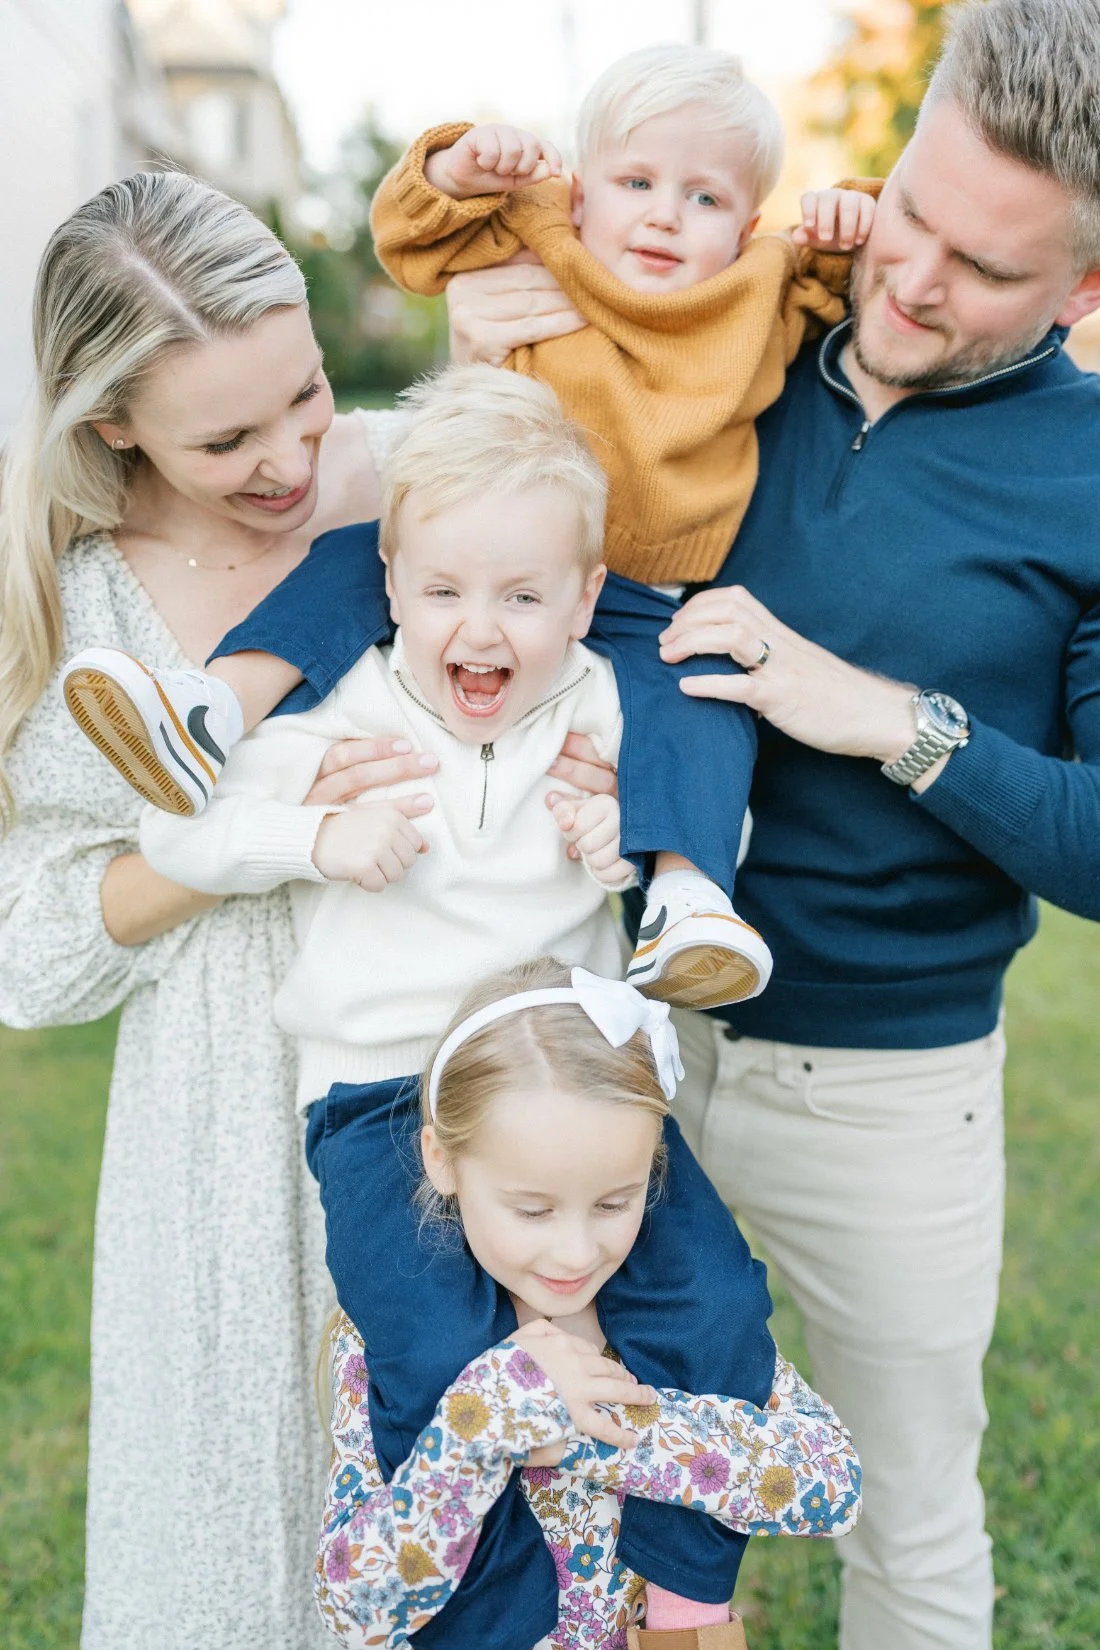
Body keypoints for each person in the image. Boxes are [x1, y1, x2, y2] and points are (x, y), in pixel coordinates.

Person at [445, 2, 1100, 1646]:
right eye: (914, 214)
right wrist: (495, 371)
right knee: (556, 1479)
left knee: (910, 1513)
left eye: (987, 270)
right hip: (611, 1043)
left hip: (885, 1100)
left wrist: (889, 721)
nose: (915, 280)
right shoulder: (716, 340)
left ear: (1085, 292)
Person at [137, 366, 784, 1648]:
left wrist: (628, 830)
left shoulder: (600, 711)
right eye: (441, 590)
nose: (474, 629)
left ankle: (682, 1597)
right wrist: (316, 835)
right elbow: (179, 830)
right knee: (433, 1357)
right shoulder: (341, 714)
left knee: (710, 1304)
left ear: (586, 600)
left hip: (573, 1087)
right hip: (382, 1100)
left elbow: (725, 814)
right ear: (388, 583)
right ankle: (490, 1626)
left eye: (521, 596)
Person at [59, 43, 876, 1011]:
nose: (663, 212)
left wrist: (847, 212)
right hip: (488, 550)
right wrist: (455, 166)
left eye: (704, 199)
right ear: (578, 190)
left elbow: (856, 278)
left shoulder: (759, 285)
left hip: (636, 589)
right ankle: (208, 712)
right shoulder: (546, 241)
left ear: (746, 224)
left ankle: (688, 898)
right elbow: (413, 236)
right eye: (635, 181)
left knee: (699, 699)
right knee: (346, 564)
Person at [0, 170, 485, 1650]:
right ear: (112, 424)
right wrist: (240, 841)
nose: (288, 457)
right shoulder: (79, 614)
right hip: (214, 1142)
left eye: (309, 395)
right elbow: (32, 957)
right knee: (223, 1544)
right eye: (226, 436)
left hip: (443, 1095)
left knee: (457, 1529)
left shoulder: (419, 493)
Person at [312, 956, 863, 1650]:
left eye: (613, 1203)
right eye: (533, 1210)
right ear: (443, 1161)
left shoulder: (666, 1326)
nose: (575, 1254)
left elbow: (831, 1480)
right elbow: (354, 1608)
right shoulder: (384, 1341)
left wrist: (572, 1430)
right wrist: (483, 1422)